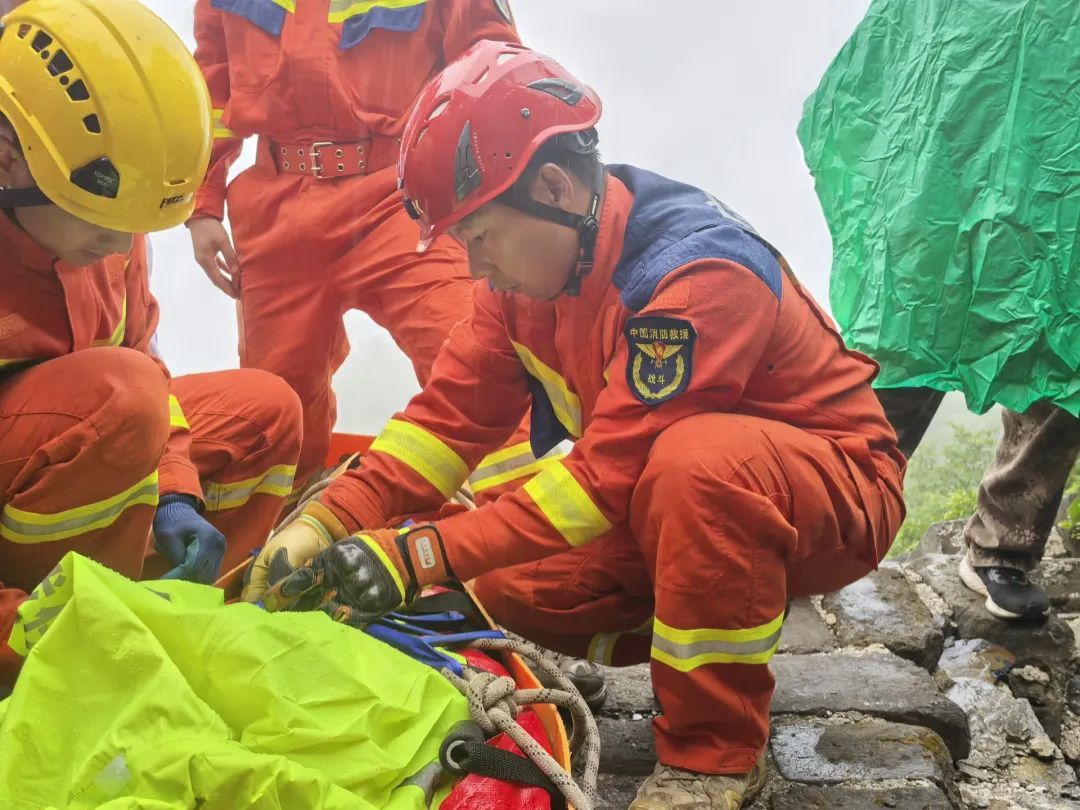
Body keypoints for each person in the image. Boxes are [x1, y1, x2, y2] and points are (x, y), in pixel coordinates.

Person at [243, 42, 907, 808]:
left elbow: (602, 482)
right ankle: (717, 594)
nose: (474, 267)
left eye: (479, 236)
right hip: (669, 492)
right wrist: (324, 521)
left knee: (698, 467)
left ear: (555, 189)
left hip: (834, 489)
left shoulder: (695, 277)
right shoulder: (525, 285)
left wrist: (418, 553)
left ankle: (715, 758)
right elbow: (442, 426)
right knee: (498, 579)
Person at [0, 0, 302, 691]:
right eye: (100, 218)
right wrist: (16, 628)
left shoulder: (108, 232)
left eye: (134, 221)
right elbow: (126, 393)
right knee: (119, 395)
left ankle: (183, 627)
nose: (119, 243)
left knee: (267, 411)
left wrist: (177, 495)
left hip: (65, 452)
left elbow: (150, 375)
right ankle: (73, 659)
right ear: (9, 160)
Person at [798, 0, 1080, 622]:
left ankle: (1003, 546)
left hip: (1056, 166)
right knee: (903, 339)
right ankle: (815, 532)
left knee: (1059, 349)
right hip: (943, 155)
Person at [187, 0, 535, 496]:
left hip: (402, 196)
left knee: (474, 354)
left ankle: (528, 527)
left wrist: (499, 194)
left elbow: (493, 68)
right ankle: (279, 529)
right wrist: (201, 202)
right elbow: (208, 93)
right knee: (276, 407)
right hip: (275, 214)